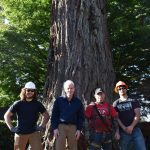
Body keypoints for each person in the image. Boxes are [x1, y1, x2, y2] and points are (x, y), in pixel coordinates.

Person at [4, 81, 49, 150]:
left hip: (34, 132)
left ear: (34, 92)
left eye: (32, 91)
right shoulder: (18, 103)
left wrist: (41, 126)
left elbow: (46, 115)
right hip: (20, 133)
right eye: (28, 90)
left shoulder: (37, 104)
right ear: (24, 91)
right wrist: (11, 127)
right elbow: (6, 115)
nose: (30, 92)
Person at [51, 80, 84, 150]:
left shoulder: (78, 102)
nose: (70, 90)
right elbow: (54, 115)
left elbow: (80, 117)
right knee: (59, 147)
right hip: (61, 127)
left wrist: (78, 129)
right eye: (68, 88)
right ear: (65, 89)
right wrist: (55, 128)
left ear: (74, 89)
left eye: (71, 88)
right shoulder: (59, 100)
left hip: (73, 128)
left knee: (73, 148)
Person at [113, 81, 146, 150]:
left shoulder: (133, 100)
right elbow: (117, 118)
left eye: (123, 88)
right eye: (119, 89)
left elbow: (138, 114)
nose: (121, 90)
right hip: (123, 132)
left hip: (136, 130)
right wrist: (124, 128)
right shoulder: (115, 104)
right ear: (117, 90)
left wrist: (131, 126)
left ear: (126, 89)